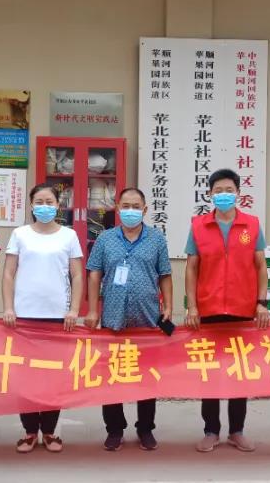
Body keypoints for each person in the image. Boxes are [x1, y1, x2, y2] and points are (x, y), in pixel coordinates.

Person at [184, 168, 270, 454]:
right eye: (218, 191)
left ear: (238, 193)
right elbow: (191, 268)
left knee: (239, 372)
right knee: (209, 371)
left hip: (242, 309)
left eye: (229, 190)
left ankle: (237, 431)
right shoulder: (199, 225)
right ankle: (211, 431)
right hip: (208, 309)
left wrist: (261, 302)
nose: (224, 195)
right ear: (210, 194)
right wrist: (192, 306)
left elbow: (261, 266)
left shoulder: (251, 225)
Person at [85, 187, 173, 452]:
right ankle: (114, 429)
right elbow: (94, 274)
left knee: (147, 377)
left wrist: (169, 306)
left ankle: (145, 429)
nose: (130, 211)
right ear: (117, 208)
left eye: (136, 206)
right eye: (125, 206)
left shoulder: (156, 239)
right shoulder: (105, 239)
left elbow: (165, 274)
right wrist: (92, 310)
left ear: (145, 210)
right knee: (112, 376)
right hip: (113, 319)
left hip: (147, 319)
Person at [1, 183, 83, 454]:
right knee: (25, 376)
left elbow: (77, 275)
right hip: (24, 316)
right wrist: (8, 308)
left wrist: (73, 310)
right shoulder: (20, 234)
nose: (44, 206)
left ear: (58, 205)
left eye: (49, 201)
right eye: (39, 201)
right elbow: (9, 273)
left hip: (57, 317)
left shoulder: (69, 236)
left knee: (53, 377)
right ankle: (29, 432)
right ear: (31, 205)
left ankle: (49, 431)